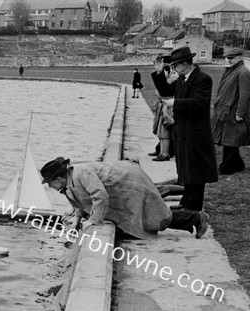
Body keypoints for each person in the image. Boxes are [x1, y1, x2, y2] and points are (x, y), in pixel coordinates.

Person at [40, 157, 210, 239]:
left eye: (50, 183)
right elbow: (79, 204)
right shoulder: (68, 184)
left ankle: (197, 217)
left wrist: (93, 221)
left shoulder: (81, 173)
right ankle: (193, 218)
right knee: (147, 218)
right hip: (119, 192)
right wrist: (77, 221)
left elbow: (99, 195)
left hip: (128, 184)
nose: (50, 188)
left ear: (58, 178)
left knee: (153, 216)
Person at [151, 46, 218, 211]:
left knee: (196, 171)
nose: (173, 68)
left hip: (196, 132)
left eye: (175, 65)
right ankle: (186, 203)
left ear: (185, 64)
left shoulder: (203, 79)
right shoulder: (182, 79)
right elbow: (165, 91)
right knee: (186, 169)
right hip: (182, 131)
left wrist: (175, 103)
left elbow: (199, 103)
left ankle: (193, 207)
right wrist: (159, 73)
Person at [212, 47, 250, 175]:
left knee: (230, 140)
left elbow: (245, 95)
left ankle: (226, 167)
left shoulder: (243, 72)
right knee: (228, 139)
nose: (228, 60)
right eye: (227, 57)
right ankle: (237, 165)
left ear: (240, 57)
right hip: (226, 111)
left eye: (231, 58)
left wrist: (240, 113)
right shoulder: (232, 70)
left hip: (234, 112)